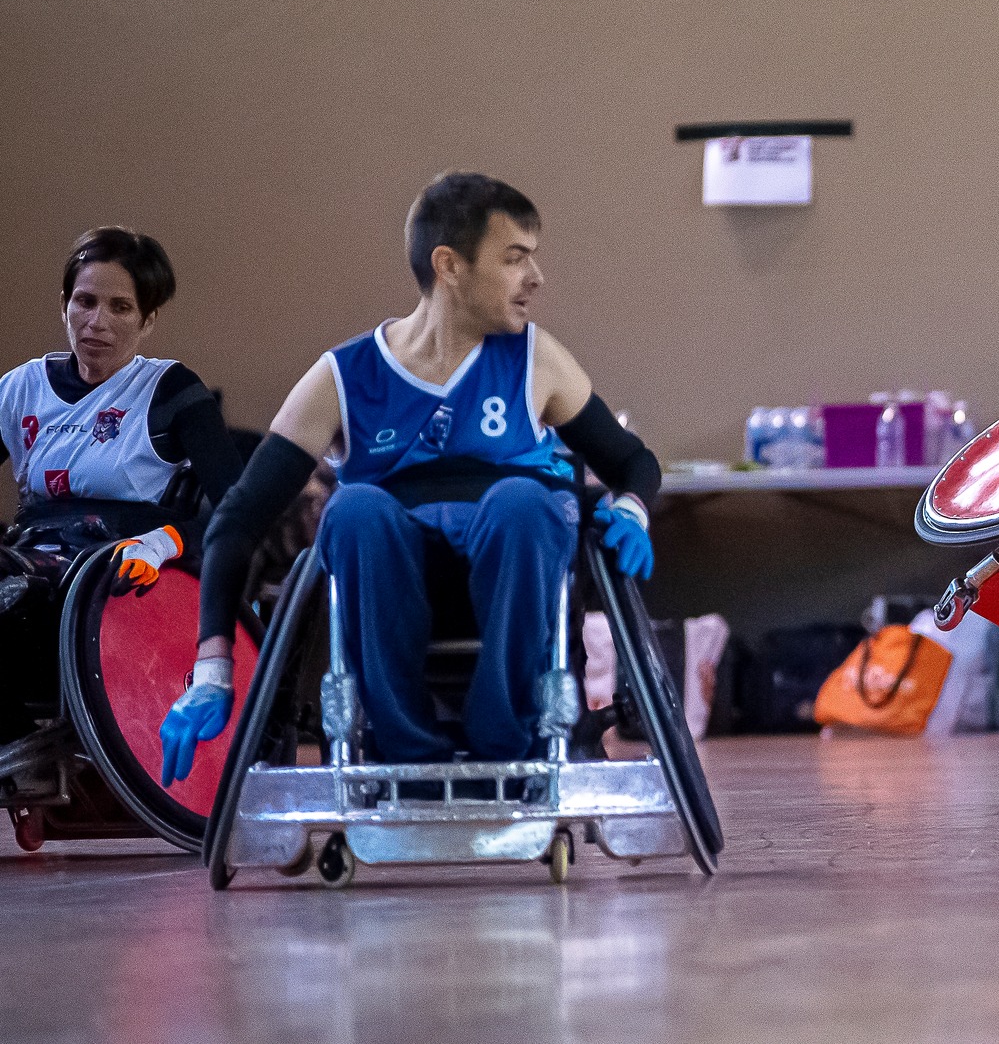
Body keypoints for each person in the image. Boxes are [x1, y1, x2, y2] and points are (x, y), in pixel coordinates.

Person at [166, 172, 663, 782]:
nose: (536, 279)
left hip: (514, 565)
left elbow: (632, 461)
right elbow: (237, 520)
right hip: (391, 580)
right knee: (353, 510)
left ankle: (504, 733)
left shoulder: (536, 358)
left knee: (521, 501)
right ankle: (402, 743)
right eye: (515, 259)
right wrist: (212, 669)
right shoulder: (343, 376)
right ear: (450, 266)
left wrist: (634, 507)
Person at [0, 227, 246, 741]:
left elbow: (241, 512)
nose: (97, 322)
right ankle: (19, 738)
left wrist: (162, 544)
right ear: (64, 305)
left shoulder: (170, 390)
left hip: (116, 570)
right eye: (85, 302)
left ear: (148, 319)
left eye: (120, 307)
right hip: (32, 554)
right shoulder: (21, 388)